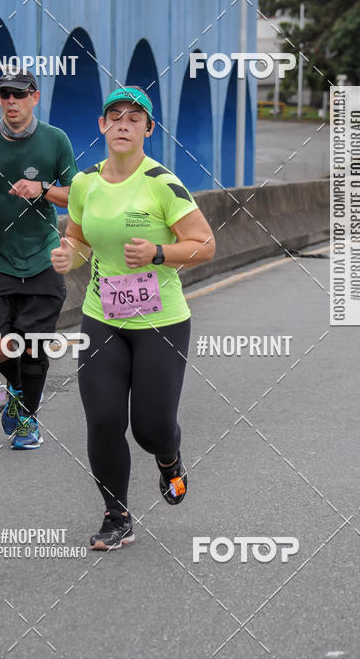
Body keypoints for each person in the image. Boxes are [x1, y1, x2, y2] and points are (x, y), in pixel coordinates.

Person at [51, 85, 215, 550]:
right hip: (102, 318)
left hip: (160, 322)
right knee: (103, 420)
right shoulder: (84, 184)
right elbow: (79, 240)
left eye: (134, 118)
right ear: (102, 126)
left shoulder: (162, 183)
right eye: (115, 117)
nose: (123, 124)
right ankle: (116, 515)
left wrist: (159, 252)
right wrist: (68, 255)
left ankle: (169, 457)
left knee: (151, 428)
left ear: (148, 129)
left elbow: (205, 244)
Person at [0, 70, 77, 449]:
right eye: (5, 94)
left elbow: (76, 196)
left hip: (42, 257)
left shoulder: (55, 140)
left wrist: (42, 188)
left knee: (34, 346)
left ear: (34, 98)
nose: (11, 101)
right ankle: (17, 388)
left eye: (19, 95)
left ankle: (27, 422)